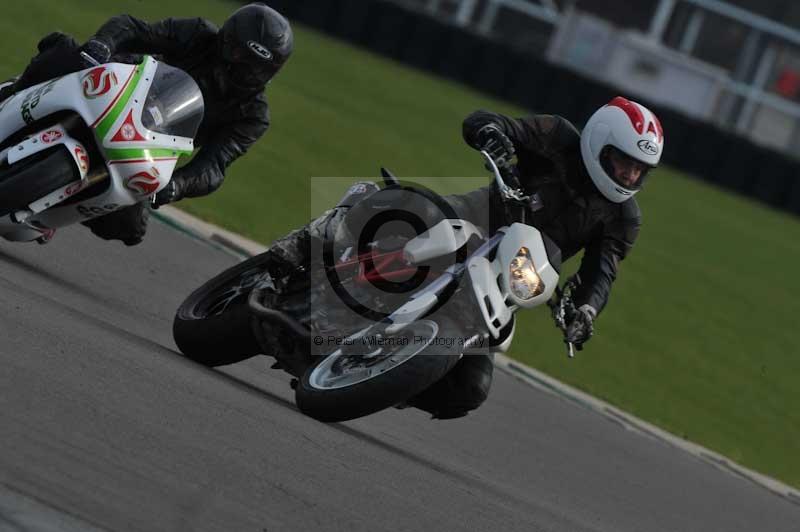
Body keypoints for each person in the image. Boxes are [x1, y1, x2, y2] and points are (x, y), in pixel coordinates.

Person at [264, 96, 663, 419]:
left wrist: (587, 310)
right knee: (403, 209)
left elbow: (603, 271)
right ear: (598, 143)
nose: (628, 176)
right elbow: (496, 122)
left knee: (470, 389)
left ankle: (382, 377)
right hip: (480, 214)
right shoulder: (558, 135)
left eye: (638, 170)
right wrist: (491, 132)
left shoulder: (624, 217)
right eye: (622, 162)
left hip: (514, 274)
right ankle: (312, 237)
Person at [2, 3, 292, 245]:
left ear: (270, 72)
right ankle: (11, 93)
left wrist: (178, 185)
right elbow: (132, 27)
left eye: (256, 68)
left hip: (149, 146)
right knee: (64, 52)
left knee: (131, 227)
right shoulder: (198, 33)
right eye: (241, 55)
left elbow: (215, 165)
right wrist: (102, 45)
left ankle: (53, 209)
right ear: (226, 41)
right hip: (121, 89)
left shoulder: (253, 115)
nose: (243, 69)